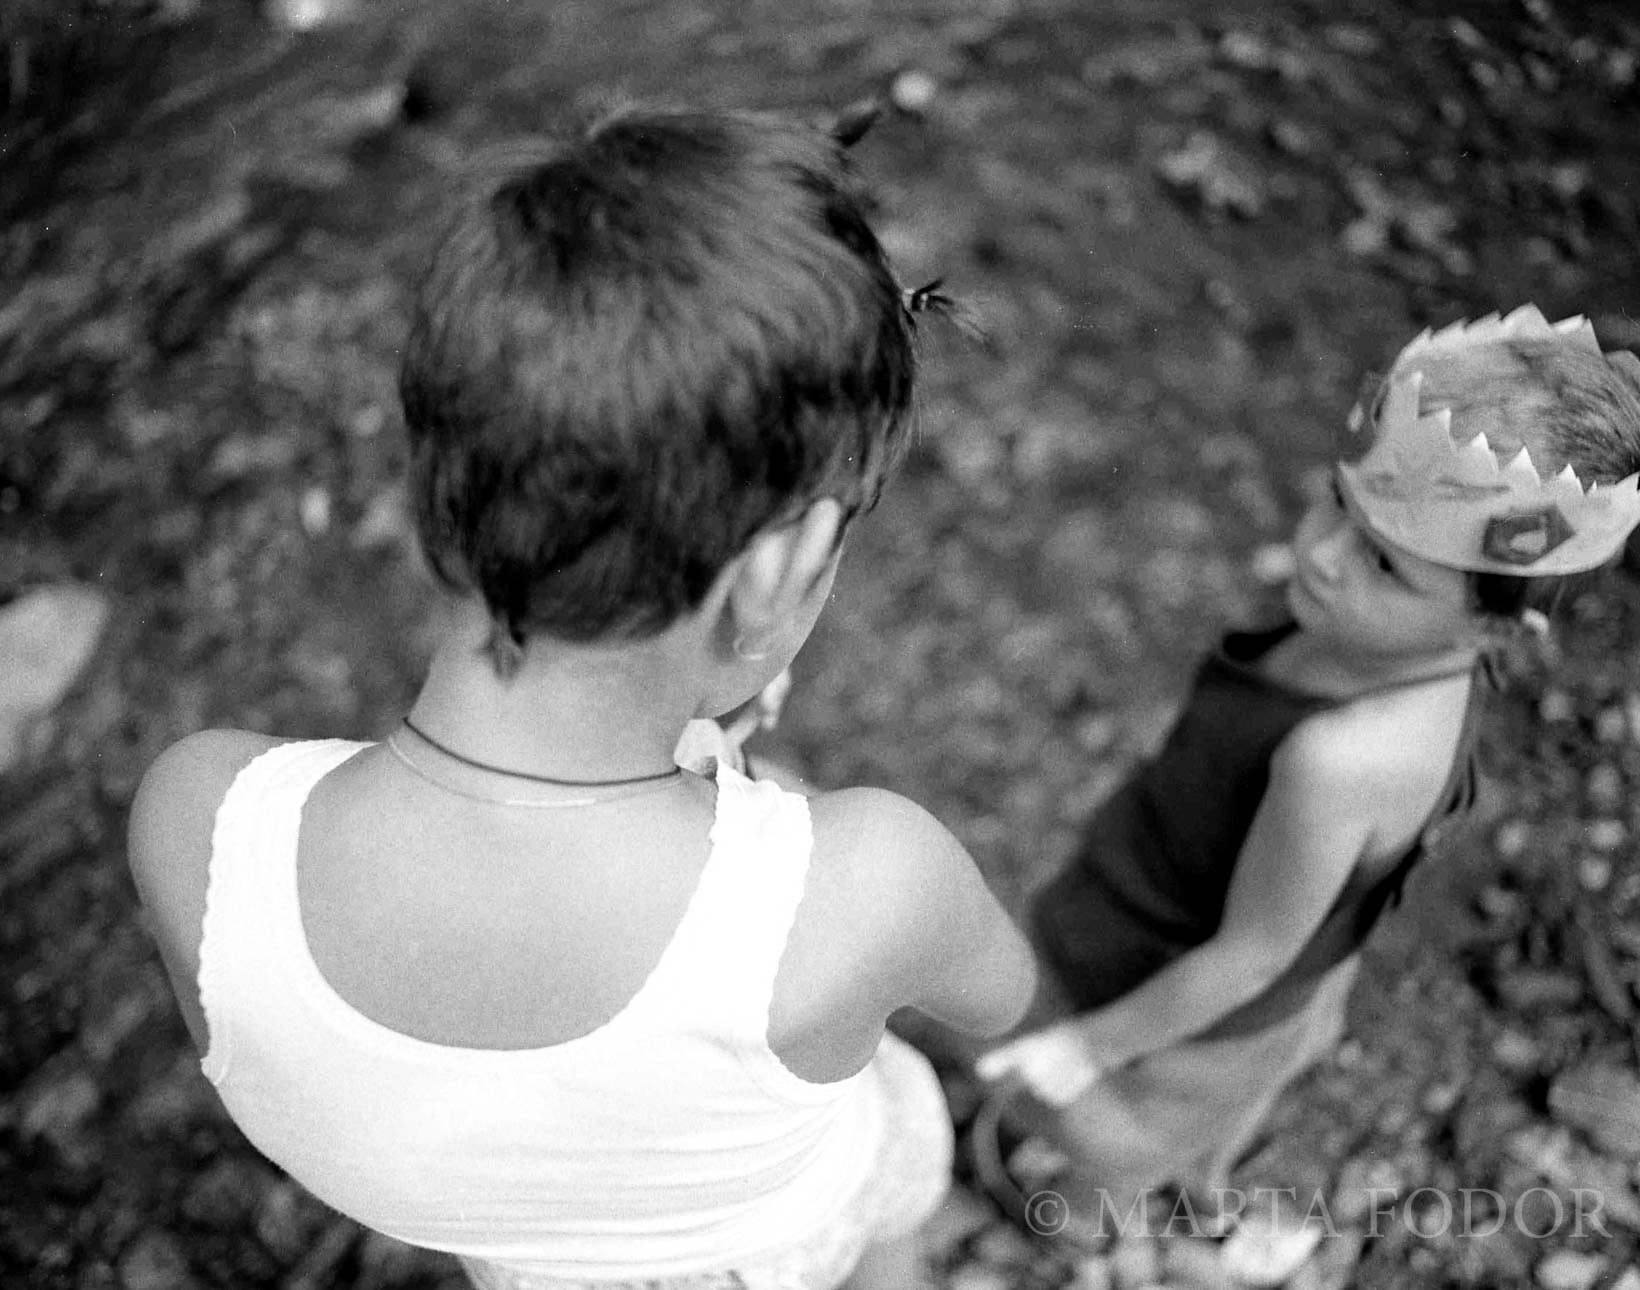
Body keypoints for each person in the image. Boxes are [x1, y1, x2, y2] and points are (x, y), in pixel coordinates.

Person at [128, 102, 1037, 1290]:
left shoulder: (195, 824)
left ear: (434, 482)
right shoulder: (863, 882)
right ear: (773, 572)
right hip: (789, 1240)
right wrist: (775, 825)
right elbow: (998, 1002)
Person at [975, 306, 1640, 1242]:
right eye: (1339, 500)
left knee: (1118, 1132)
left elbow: (1252, 953)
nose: (1322, 556)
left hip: (1194, 987)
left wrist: (1089, 1048)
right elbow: (1333, 902)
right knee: (1214, 1099)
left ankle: (1083, 1217)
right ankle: (1207, 1175)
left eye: (1382, 562)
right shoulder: (1384, 643)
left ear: (1495, 630)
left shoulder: (1343, 757)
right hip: (1201, 911)